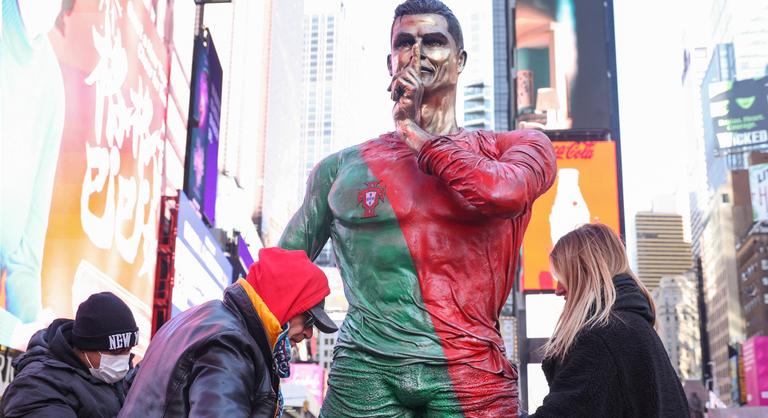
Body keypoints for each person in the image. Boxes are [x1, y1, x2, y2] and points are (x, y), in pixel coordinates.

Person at [278, 0, 556, 416]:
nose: (418, 52)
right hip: (365, 371)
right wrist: (296, 311)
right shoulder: (339, 168)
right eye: (405, 42)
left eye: (435, 42)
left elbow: (502, 193)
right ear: (390, 61)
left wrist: (414, 132)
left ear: (460, 60)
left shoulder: (515, 148)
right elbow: (285, 262)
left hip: (470, 373)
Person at [118, 247, 338, 418]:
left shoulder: (200, 320)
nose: (309, 333)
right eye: (308, 319)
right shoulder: (230, 344)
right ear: (286, 301)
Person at [528, 223, 690, 417]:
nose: (558, 290)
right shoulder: (636, 329)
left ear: (586, 274)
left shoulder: (602, 337)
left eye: (564, 277)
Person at [0, 292, 139, 418]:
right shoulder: (36, 386)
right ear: (85, 348)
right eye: (116, 351)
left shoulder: (118, 379)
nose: (124, 359)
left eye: (129, 349)